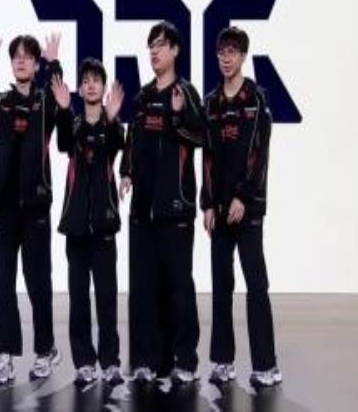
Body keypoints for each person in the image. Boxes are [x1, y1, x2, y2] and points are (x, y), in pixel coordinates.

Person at [0, 26, 62, 387]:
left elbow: (60, 99)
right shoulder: (0, 103)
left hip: (36, 207)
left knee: (39, 282)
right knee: (2, 282)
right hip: (5, 208)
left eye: (28, 56)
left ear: (37, 65)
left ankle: (45, 351)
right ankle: (4, 357)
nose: (21, 61)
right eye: (16, 57)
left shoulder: (44, 103)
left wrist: (55, 64)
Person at [119, 21, 204, 384]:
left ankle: (184, 361)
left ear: (175, 51)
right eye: (151, 46)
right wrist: (126, 172)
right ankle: (144, 361)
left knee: (179, 288)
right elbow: (131, 140)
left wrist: (177, 115)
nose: (154, 51)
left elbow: (200, 136)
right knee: (142, 289)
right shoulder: (141, 97)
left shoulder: (187, 92)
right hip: (142, 211)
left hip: (176, 209)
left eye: (160, 45)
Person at [201, 26, 282, 388]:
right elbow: (207, 157)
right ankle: (223, 362)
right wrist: (207, 203)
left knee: (256, 285)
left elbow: (259, 155)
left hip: (248, 210)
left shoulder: (256, 99)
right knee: (221, 286)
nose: (226, 58)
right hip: (219, 211)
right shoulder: (211, 103)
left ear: (243, 56)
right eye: (222, 52)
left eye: (232, 52)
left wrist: (243, 198)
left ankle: (266, 366)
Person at [52, 58, 125, 387]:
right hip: (76, 227)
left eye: (97, 80)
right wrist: (64, 110)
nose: (91, 85)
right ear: (80, 89)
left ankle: (110, 362)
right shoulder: (74, 123)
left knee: (107, 298)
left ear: (103, 87)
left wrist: (112, 118)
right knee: (79, 298)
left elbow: (118, 144)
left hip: (104, 225)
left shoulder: (112, 126)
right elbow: (63, 143)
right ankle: (84, 362)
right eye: (86, 80)